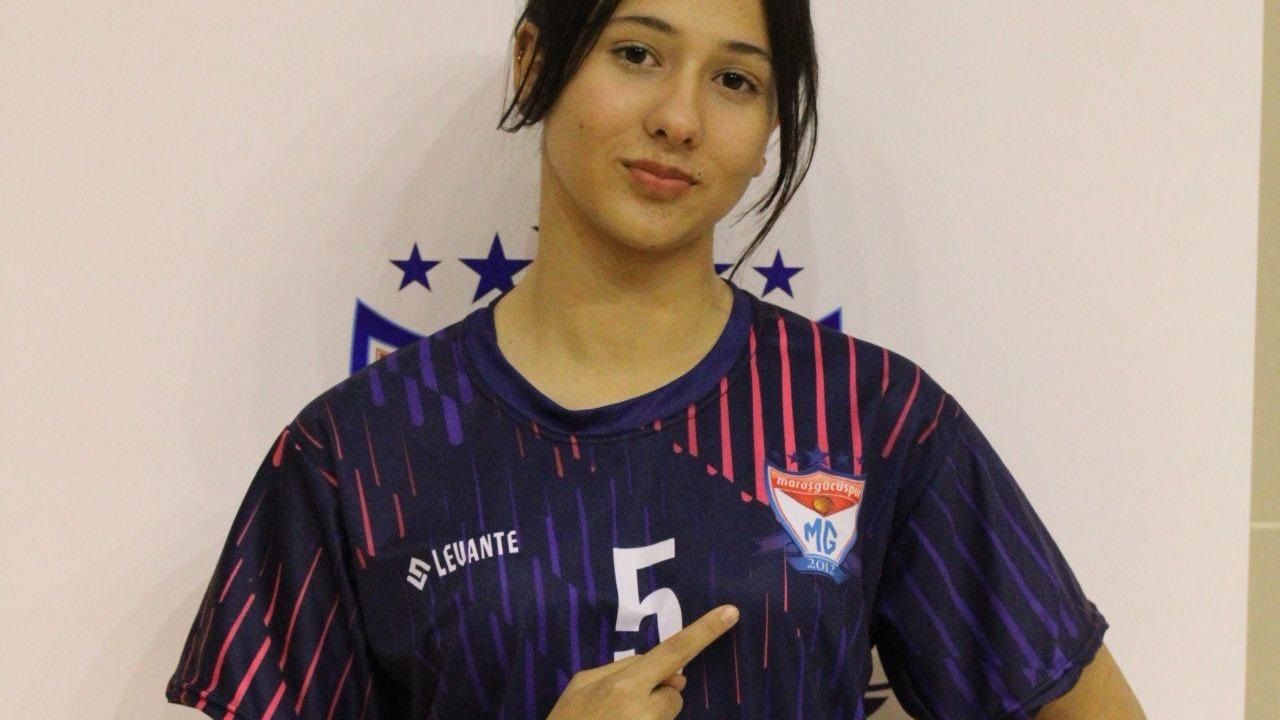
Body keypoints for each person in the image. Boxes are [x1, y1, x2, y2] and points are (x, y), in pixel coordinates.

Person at [166, 1, 1147, 718]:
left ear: (770, 126)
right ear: (533, 61)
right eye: (636, 53)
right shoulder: (356, 454)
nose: (679, 119)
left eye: (735, 81)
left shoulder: (871, 416)